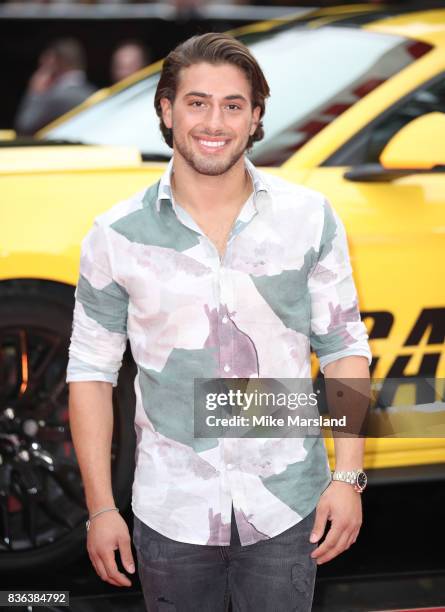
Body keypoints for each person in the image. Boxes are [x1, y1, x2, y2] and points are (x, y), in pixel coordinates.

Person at [66, 32, 372, 612]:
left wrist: (348, 478)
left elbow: (343, 346)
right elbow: (89, 372)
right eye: (197, 102)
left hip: (288, 507)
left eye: (234, 105)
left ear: (256, 118)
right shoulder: (115, 235)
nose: (215, 121)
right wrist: (102, 508)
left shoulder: (310, 218)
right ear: (166, 110)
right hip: (168, 513)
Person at [14, 38, 96, 135]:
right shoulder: (93, 92)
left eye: (47, 64)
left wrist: (35, 92)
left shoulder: (58, 96)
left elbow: (24, 125)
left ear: (60, 62)